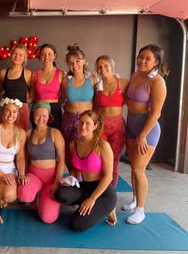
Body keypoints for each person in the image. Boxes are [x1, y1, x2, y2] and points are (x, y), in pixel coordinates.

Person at [123, 44, 167, 224]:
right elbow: (127, 99)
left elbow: (156, 113)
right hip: (131, 125)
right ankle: (134, 200)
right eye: (140, 57)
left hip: (147, 130)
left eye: (147, 58)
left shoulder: (157, 82)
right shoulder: (135, 75)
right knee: (133, 168)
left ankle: (141, 210)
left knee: (138, 170)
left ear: (156, 62)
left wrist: (142, 135)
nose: (142, 61)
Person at [56, 110, 117, 232]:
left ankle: (110, 209)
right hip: (85, 186)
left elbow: (108, 177)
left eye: (88, 123)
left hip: (103, 192)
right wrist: (71, 177)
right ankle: (87, 204)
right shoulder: (74, 144)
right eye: (81, 122)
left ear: (95, 126)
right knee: (61, 194)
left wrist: (92, 199)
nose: (83, 126)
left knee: (76, 225)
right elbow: (77, 168)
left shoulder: (103, 146)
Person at [18, 101, 65, 223]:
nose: (41, 118)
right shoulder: (28, 133)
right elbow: (24, 157)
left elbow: (61, 161)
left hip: (52, 178)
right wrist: (23, 174)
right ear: (33, 116)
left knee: (47, 218)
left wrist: (56, 183)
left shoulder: (55, 133)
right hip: (34, 175)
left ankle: (50, 202)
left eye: (44, 115)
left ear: (49, 117)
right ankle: (35, 197)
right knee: (23, 194)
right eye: (38, 115)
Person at [95, 55, 129, 187]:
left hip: (117, 127)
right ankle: (98, 190)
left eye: (106, 66)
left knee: (114, 161)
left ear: (112, 66)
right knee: (99, 160)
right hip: (101, 126)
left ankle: (110, 192)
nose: (103, 69)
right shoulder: (97, 85)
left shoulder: (124, 83)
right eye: (100, 66)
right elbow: (95, 107)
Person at [61, 43, 96, 170]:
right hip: (68, 119)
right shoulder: (65, 80)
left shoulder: (92, 79)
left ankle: (81, 177)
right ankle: (73, 176)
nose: (74, 65)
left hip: (86, 120)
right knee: (68, 151)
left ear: (84, 61)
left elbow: (97, 101)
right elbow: (62, 99)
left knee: (81, 150)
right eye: (71, 63)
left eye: (78, 61)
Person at [0, 44, 32, 131]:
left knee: (22, 135)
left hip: (22, 110)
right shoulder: (3, 73)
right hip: (7, 110)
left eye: (21, 55)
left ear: (25, 58)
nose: (17, 57)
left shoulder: (28, 74)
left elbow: (33, 94)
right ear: (11, 55)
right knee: (6, 133)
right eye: (15, 54)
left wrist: (22, 105)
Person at [31, 43, 65, 129]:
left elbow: (63, 96)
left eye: (49, 54)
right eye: (43, 55)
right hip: (38, 109)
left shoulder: (61, 73)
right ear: (40, 57)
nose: (46, 57)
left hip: (54, 110)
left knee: (54, 137)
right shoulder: (35, 74)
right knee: (37, 136)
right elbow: (31, 96)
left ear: (55, 56)